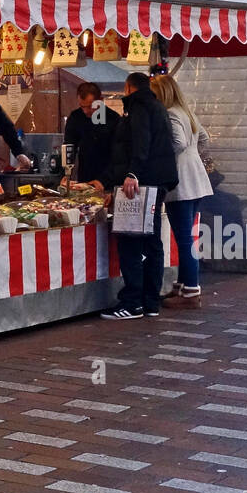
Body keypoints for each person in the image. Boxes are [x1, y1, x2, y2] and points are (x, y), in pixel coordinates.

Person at [101, 71, 179, 320]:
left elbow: (140, 143)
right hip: (156, 182)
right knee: (152, 242)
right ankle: (150, 302)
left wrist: (132, 173)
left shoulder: (140, 107)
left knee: (131, 241)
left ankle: (132, 303)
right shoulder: (157, 107)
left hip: (140, 185)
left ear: (128, 88)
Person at [151, 73, 213, 309]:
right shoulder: (185, 111)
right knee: (187, 237)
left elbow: (177, 142)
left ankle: (190, 290)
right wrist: (194, 155)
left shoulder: (170, 113)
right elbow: (204, 138)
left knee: (184, 238)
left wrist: (161, 153)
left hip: (181, 181)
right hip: (196, 178)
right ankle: (184, 284)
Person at [63, 83, 116, 189]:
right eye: (82, 106)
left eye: (91, 106)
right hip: (84, 179)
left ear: (100, 100)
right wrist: (65, 174)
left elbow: (119, 156)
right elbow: (69, 147)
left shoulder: (113, 119)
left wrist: (104, 180)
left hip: (108, 181)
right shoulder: (76, 117)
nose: (86, 111)